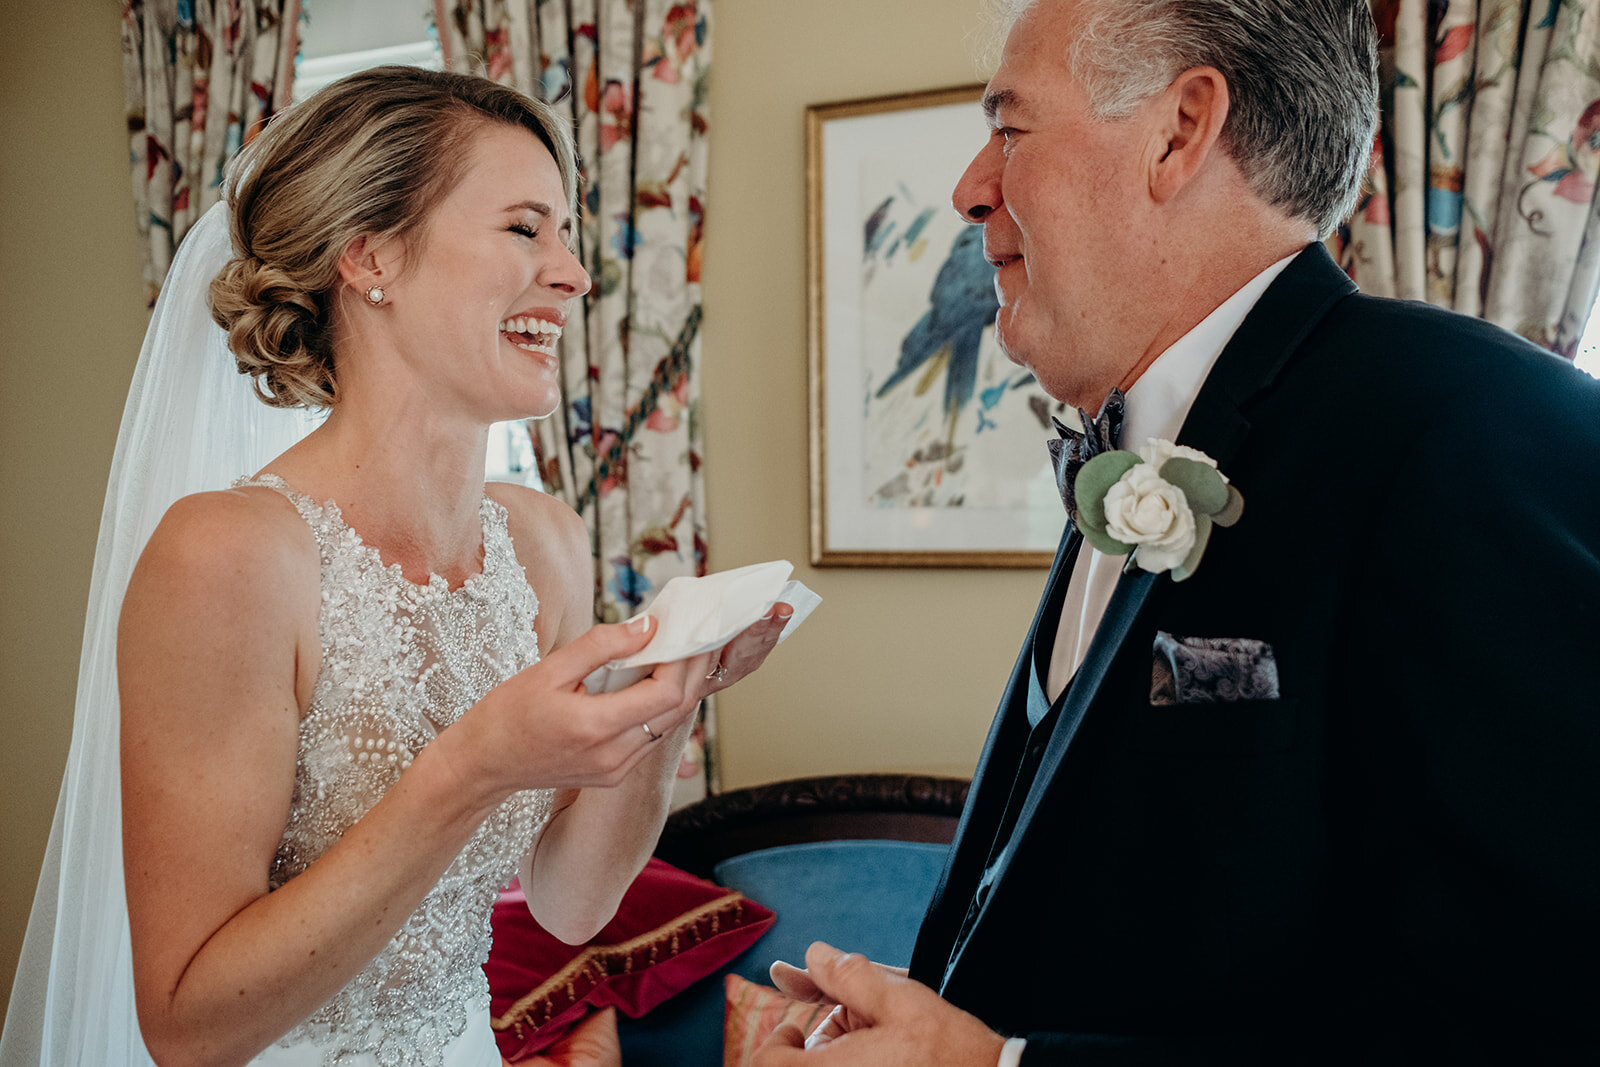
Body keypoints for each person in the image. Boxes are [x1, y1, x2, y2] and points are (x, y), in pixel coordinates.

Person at [759, 0, 1600, 1063]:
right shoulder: (1140, 447)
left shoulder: (1472, 425)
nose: (971, 186)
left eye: (1009, 129)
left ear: (1178, 130)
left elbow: (1544, 1017)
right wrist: (928, 1017)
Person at [1, 67, 787, 1067]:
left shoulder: (542, 540)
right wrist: (469, 764)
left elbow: (574, 899)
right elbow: (188, 1025)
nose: (575, 275)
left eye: (568, 233)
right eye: (523, 228)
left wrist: (671, 690)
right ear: (371, 256)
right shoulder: (226, 555)